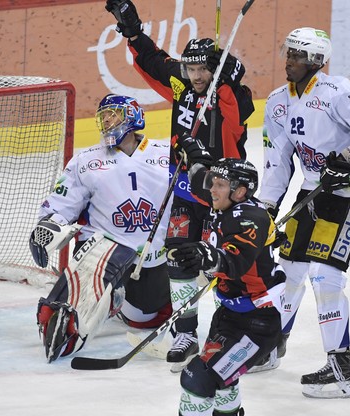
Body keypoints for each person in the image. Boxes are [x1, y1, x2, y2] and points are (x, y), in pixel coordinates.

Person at [106, 0, 255, 371]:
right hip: (187, 188)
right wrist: (133, 31)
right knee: (179, 255)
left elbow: (241, 112)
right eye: (191, 67)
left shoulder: (229, 94)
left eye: (203, 68)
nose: (195, 75)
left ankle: (238, 331)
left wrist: (228, 77)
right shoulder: (182, 85)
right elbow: (154, 62)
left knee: (228, 263)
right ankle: (186, 333)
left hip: (223, 191)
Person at [259, 27, 350, 398]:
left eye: (298, 55)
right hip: (314, 191)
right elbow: (277, 162)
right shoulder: (277, 102)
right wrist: (266, 208)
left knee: (324, 275)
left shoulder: (338, 91)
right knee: (288, 268)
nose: (289, 60)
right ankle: (272, 344)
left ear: (317, 62)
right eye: (287, 52)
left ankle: (340, 371)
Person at [30, 94, 172, 362]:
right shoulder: (86, 161)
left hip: (153, 258)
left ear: (133, 116)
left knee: (142, 317)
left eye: (114, 114)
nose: (107, 120)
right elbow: (61, 204)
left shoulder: (166, 156)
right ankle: (99, 298)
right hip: (101, 250)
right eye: (103, 116)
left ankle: (116, 303)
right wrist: (47, 226)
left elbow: (192, 205)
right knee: (62, 318)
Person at [168, 145, 285, 416]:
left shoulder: (250, 218)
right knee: (224, 383)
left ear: (240, 191)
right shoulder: (226, 201)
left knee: (198, 377)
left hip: (257, 323)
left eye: (219, 184)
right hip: (230, 316)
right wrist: (194, 154)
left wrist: (209, 257)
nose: (212, 189)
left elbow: (236, 260)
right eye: (213, 182)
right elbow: (199, 181)